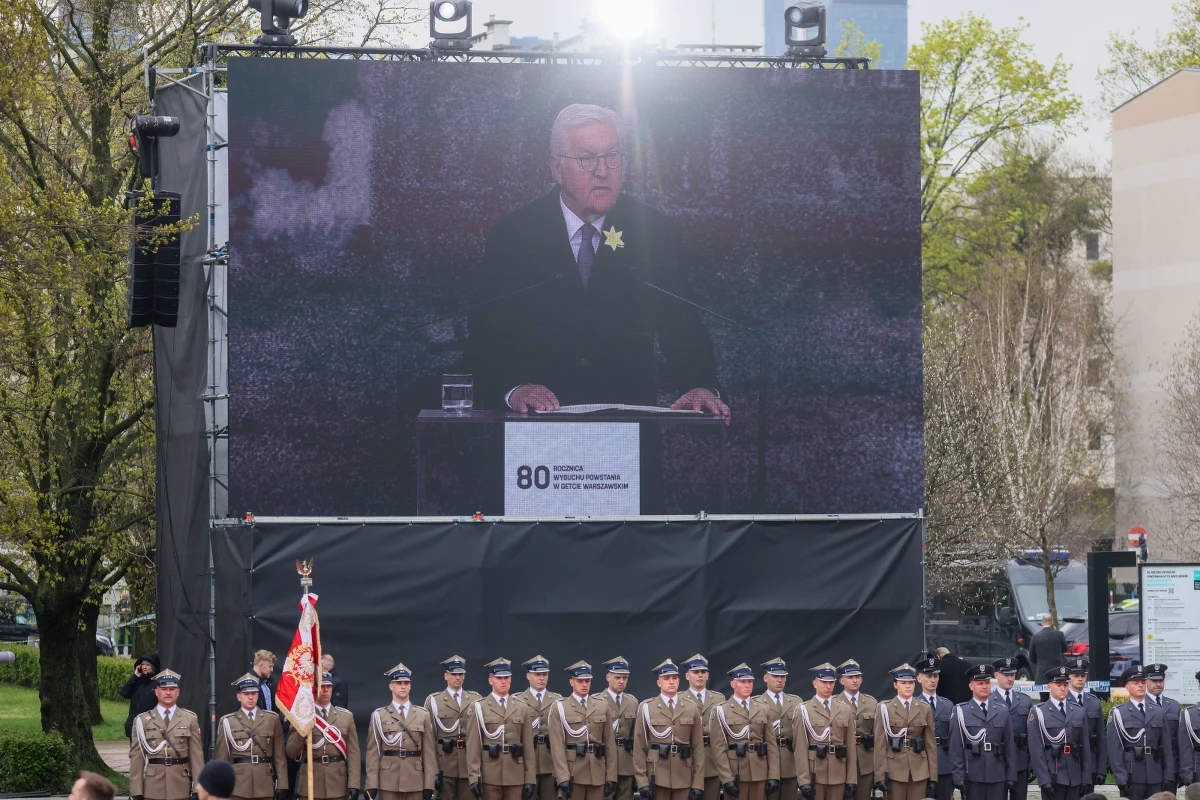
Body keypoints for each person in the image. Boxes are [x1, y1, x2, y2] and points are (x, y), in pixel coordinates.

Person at [466, 103, 726, 421]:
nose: (603, 171)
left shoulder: (652, 232)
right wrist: (512, 389)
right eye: (587, 159)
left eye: (612, 157)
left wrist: (699, 385)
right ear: (556, 167)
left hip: (627, 423)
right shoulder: (514, 235)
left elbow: (682, 323)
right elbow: (485, 331)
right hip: (537, 426)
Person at [464, 658, 536, 800]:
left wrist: (530, 779)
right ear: (490, 680)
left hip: (516, 774)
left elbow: (528, 746)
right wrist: (474, 777)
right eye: (499, 678)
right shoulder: (479, 707)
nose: (503, 681)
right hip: (490, 775)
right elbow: (473, 746)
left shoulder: (522, 707)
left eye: (506, 677)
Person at [632, 659, 705, 800]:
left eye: (674, 678)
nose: (671, 682)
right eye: (666, 678)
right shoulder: (647, 707)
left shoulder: (691, 707)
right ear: (659, 682)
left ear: (679, 681)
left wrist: (698, 783)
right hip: (657, 775)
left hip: (683, 773)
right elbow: (639, 747)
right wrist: (642, 781)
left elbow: (698, 748)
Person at [129, 670, 205, 800]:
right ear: (156, 691)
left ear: (178, 692)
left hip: (180, 786)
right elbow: (137, 759)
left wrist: (198, 789)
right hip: (153, 788)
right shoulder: (142, 720)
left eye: (172, 689)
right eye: (164, 689)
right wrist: (136, 792)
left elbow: (196, 756)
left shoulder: (190, 718)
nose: (168, 692)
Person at [547, 661, 618, 800]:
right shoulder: (560, 707)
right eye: (580, 681)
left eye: (587, 681)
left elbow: (610, 743)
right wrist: (562, 776)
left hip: (597, 770)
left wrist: (611, 776)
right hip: (573, 771)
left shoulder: (602, 706)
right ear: (571, 682)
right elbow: (557, 746)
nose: (584, 684)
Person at [366, 663, 437, 800]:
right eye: (399, 683)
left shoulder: (423, 715)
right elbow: (372, 753)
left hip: (415, 780)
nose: (403, 686)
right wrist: (371, 784)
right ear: (391, 686)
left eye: (406, 683)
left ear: (410, 686)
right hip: (388, 780)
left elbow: (429, 752)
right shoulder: (380, 715)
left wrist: (429, 784)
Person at [710, 663, 780, 800]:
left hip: (760, 771)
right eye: (742, 681)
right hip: (735, 771)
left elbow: (771, 745)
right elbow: (718, 748)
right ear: (732, 684)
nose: (747, 685)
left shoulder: (763, 709)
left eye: (750, 681)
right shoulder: (721, 710)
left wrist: (774, 775)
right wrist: (726, 778)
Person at [288, 670, 361, 800]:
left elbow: (354, 754)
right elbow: (291, 753)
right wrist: (302, 727)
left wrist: (354, 785)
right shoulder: (302, 716)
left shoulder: (346, 717)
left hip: (337, 785)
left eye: (329, 686)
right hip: (310, 785)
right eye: (322, 686)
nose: (326, 690)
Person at [216, 673, 289, 800]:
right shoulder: (228, 721)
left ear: (258, 695)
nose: (250, 697)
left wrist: (282, 784)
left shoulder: (272, 719)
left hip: (264, 782)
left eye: (254, 693)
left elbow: (279, 756)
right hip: (239, 785)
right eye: (246, 694)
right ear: (238, 696)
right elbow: (222, 757)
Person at [1106, 666, 1175, 800]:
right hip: (1132, 773)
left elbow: (1166, 746)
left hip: (1155, 772)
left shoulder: (1158, 711)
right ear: (1127, 687)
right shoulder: (1119, 713)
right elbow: (1115, 749)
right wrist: (1121, 777)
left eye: (1143, 682)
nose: (1140, 686)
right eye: (1135, 683)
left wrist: (1168, 775)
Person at [950, 664, 1017, 800]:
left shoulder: (1002, 711)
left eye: (987, 683)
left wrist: (1011, 775)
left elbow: (1009, 746)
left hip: (997, 772)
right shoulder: (961, 711)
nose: (984, 686)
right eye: (980, 683)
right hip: (973, 774)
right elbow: (955, 747)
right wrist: (958, 776)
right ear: (971, 686)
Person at [1027, 667, 1094, 800]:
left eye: (1065, 684)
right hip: (1053, 775)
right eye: (1058, 685)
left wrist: (1086, 778)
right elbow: (1036, 750)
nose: (1063, 688)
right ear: (1050, 686)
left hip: (1074, 775)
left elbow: (1085, 747)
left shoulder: (1078, 711)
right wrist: (1044, 780)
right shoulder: (1039, 712)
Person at [791, 663, 857, 800]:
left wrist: (851, 779)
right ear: (815, 683)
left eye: (831, 682)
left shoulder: (845, 710)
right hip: (815, 773)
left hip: (839, 773)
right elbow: (800, 748)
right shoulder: (803, 710)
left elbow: (851, 746)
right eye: (824, 682)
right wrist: (803, 781)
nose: (828, 686)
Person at [870, 664, 934, 800]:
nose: (907, 686)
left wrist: (933, 777)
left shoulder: (924, 708)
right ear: (895, 685)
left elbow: (930, 745)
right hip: (895, 769)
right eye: (903, 682)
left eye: (911, 682)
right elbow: (880, 745)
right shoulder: (885, 708)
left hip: (919, 769)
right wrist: (880, 775)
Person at [425, 656, 484, 800]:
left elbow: (482, 736)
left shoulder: (476, 699)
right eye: (453, 674)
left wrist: (478, 770)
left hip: (468, 765)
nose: (457, 677)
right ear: (446, 676)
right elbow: (429, 740)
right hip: (445, 764)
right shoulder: (434, 701)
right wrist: (433, 772)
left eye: (460, 674)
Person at [514, 656, 562, 800]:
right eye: (537, 674)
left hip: (550, 761)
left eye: (544, 674)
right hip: (527, 763)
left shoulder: (557, 700)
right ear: (528, 676)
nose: (541, 678)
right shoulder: (517, 700)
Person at [679, 654, 724, 800]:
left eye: (703, 672)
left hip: (712, 759)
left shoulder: (719, 699)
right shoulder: (678, 699)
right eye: (695, 672)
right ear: (687, 676)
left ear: (708, 675)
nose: (700, 675)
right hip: (687, 759)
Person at [592, 657, 638, 800]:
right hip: (603, 760)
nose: (621, 681)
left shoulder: (632, 702)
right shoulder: (596, 701)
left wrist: (638, 772)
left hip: (626, 762)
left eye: (625, 677)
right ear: (608, 677)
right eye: (617, 677)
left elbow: (637, 738)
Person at [754, 658, 800, 800]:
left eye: (782, 676)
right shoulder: (756, 703)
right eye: (775, 676)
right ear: (765, 678)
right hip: (765, 762)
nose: (779, 680)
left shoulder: (796, 702)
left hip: (790, 763)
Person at [833, 660, 876, 800]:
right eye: (850, 677)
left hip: (865, 760)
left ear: (861, 679)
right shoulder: (833, 703)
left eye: (857, 677)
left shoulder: (871, 703)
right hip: (841, 760)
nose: (854, 680)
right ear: (841, 681)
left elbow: (878, 735)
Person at [991, 658, 1033, 800]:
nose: (1010, 678)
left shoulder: (1025, 700)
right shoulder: (989, 700)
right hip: (997, 760)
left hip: (1020, 760)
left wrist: (1031, 762)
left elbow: (1031, 734)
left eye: (1012, 675)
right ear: (997, 675)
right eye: (1006, 675)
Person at [1065, 658, 1107, 789]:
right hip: (1068, 762)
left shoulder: (1094, 702)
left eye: (1082, 675)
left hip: (1090, 762)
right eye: (1076, 675)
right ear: (1069, 677)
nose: (1080, 679)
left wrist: (1101, 769)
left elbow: (1101, 738)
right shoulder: (1062, 700)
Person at [915, 657, 953, 800]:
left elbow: (953, 737)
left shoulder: (948, 705)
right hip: (921, 762)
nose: (933, 680)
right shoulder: (914, 705)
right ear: (919, 678)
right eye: (928, 676)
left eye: (935, 676)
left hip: (943, 762)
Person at [1145, 664, 1181, 792]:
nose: (1158, 684)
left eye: (1160, 680)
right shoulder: (1139, 705)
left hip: (1170, 767)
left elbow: (1179, 741)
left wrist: (1180, 769)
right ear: (1146, 682)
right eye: (1154, 681)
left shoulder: (1174, 706)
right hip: (1147, 766)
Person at [121, 653, 162, 738]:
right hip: (134, 725)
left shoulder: (158, 684)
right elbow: (124, 692)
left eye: (148, 665)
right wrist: (136, 675)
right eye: (143, 664)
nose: (144, 667)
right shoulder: (137, 681)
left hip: (151, 727)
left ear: (154, 667)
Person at [1030, 615, 1068, 680]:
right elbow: (1065, 649)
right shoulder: (1059, 634)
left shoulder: (1035, 636)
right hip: (1057, 673)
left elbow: (1031, 657)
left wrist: (1040, 663)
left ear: (1042, 623)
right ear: (1052, 622)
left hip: (1041, 674)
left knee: (1043, 690)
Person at [1180, 669, 1200, 785]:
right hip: (1198, 770)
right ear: (1199, 687)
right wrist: (1187, 775)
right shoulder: (1189, 714)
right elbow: (1185, 748)